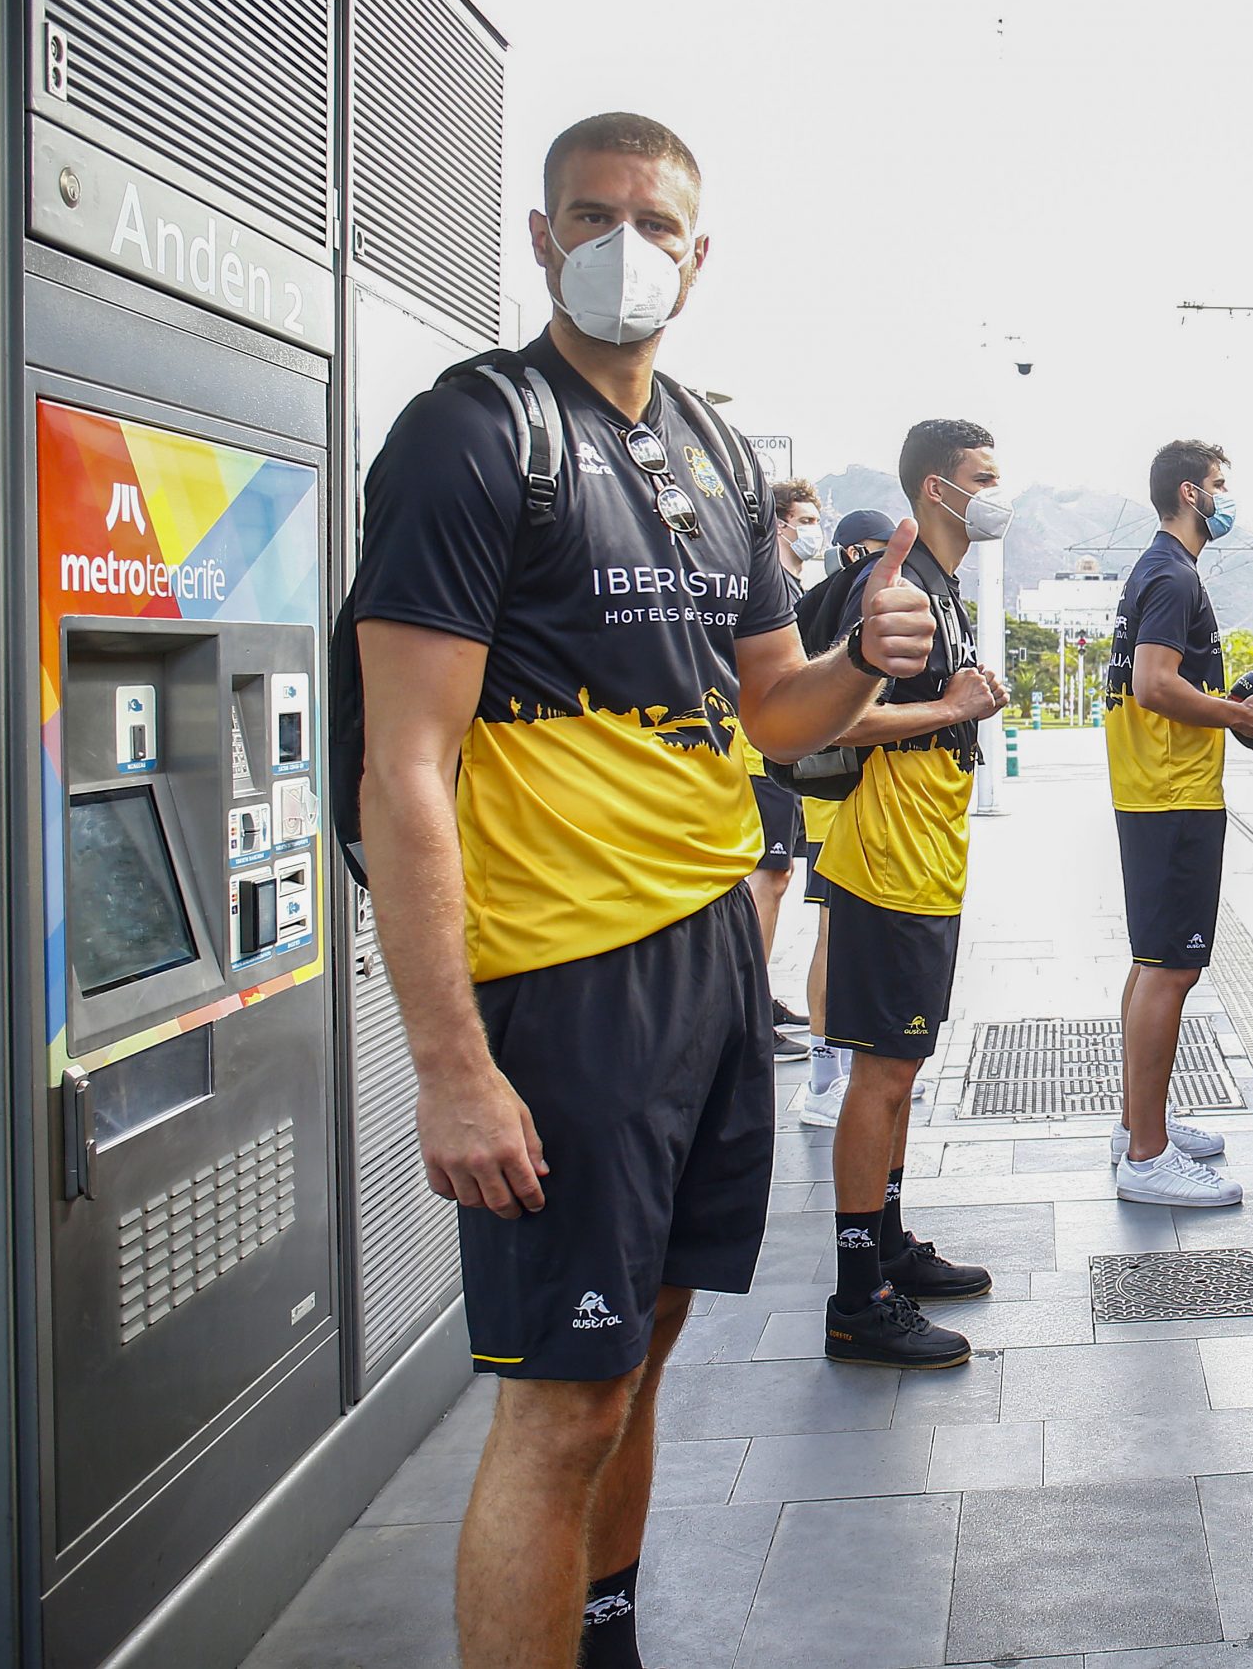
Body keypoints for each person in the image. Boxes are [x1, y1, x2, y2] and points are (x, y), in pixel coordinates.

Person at [352, 113, 936, 1669]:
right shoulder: (476, 434)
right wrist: (451, 1067)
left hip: (708, 958)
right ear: (542, 237)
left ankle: (602, 1634)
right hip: (565, 977)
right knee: (561, 1406)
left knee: (645, 1352)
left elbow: (772, 713)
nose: (628, 245)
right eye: (593, 214)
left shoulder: (712, 451)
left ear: (699, 251)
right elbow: (404, 767)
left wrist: (858, 663)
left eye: (658, 222)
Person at [812, 424, 1010, 1366]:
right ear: (938, 488)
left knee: (904, 1065)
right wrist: (953, 707)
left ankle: (888, 1248)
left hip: (925, 859)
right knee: (881, 1073)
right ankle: (858, 1297)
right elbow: (835, 720)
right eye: (984, 477)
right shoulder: (896, 586)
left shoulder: (945, 586)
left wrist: (963, 699)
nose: (998, 493)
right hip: (885, 863)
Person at [1105, 440, 1253, 1205]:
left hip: (1156, 790)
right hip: (1171, 794)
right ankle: (1147, 1159)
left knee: (1150, 962)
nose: (1227, 498)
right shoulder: (1172, 576)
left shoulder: (1159, 570)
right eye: (1220, 484)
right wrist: (1240, 715)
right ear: (1190, 493)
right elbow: (1155, 685)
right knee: (1172, 969)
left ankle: (1138, 1126)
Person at [793, 507, 909, 1127]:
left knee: (851, 930)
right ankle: (822, 1079)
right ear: (850, 553)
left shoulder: (839, 597)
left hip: (847, 792)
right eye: (876, 547)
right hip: (834, 797)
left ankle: (852, 1066)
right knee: (833, 927)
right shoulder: (846, 599)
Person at [741, 477, 830, 1060]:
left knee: (778, 878)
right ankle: (747, 1009)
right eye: (806, 520)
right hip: (759, 754)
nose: (813, 531)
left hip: (783, 756)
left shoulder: (793, 586)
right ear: (778, 525)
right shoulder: (766, 584)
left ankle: (760, 995)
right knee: (766, 879)